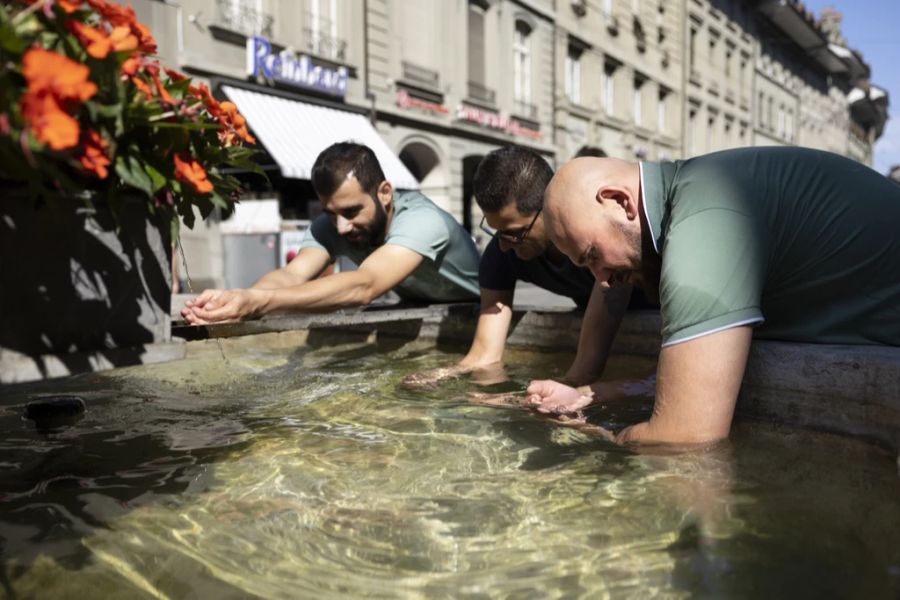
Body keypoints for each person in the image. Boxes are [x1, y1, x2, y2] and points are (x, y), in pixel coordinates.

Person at [526, 146, 900, 445]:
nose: (602, 280)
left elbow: (684, 438)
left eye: (592, 256)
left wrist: (595, 436)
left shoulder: (700, 227)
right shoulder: (696, 192)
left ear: (620, 202)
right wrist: (588, 397)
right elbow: (694, 379)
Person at [404, 145, 634, 388]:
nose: (504, 246)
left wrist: (563, 388)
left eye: (514, 233)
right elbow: (485, 354)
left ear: (548, 207)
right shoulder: (501, 252)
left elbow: (585, 371)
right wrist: (441, 375)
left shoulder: (593, 239)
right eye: (496, 231)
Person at [181, 142, 480, 324]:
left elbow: (365, 285)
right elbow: (291, 275)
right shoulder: (336, 222)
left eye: (351, 211)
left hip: (480, 315)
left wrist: (260, 302)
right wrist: (239, 300)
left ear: (385, 192)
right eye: (330, 213)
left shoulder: (423, 220)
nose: (340, 227)